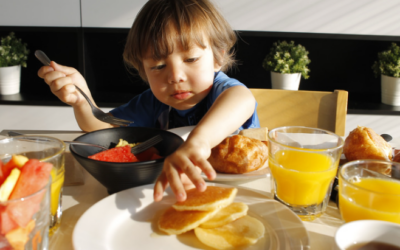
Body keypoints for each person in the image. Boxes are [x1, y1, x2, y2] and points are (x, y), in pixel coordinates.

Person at [38, 0, 260, 202]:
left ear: (218, 57)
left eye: (191, 59)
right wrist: (82, 101)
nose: (175, 76)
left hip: (249, 195)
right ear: (144, 70)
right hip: (176, 195)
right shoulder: (153, 103)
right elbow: (106, 130)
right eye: (159, 66)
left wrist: (197, 143)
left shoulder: (222, 90)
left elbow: (242, 99)